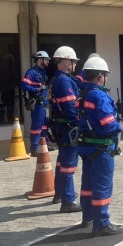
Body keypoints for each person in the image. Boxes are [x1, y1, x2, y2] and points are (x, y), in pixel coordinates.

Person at [77, 56, 123, 236]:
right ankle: (102, 224)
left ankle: (87, 217)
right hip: (102, 148)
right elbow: (108, 124)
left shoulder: (84, 95)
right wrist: (120, 125)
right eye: (105, 75)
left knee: (87, 185)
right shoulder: (100, 96)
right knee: (103, 186)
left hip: (87, 147)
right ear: (99, 76)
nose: (106, 78)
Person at [50, 46, 81, 213]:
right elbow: (70, 105)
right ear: (67, 62)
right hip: (68, 127)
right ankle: (68, 200)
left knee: (62, 161)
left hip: (60, 126)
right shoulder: (64, 81)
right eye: (74, 62)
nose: (75, 65)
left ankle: (60, 193)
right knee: (69, 164)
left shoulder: (58, 79)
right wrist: (77, 123)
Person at [20, 51, 55, 156]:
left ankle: (44, 145)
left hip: (44, 103)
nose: (48, 62)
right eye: (47, 60)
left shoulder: (42, 72)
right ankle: (34, 148)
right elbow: (23, 85)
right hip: (37, 103)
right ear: (41, 60)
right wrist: (37, 89)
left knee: (44, 126)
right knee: (36, 126)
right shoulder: (31, 72)